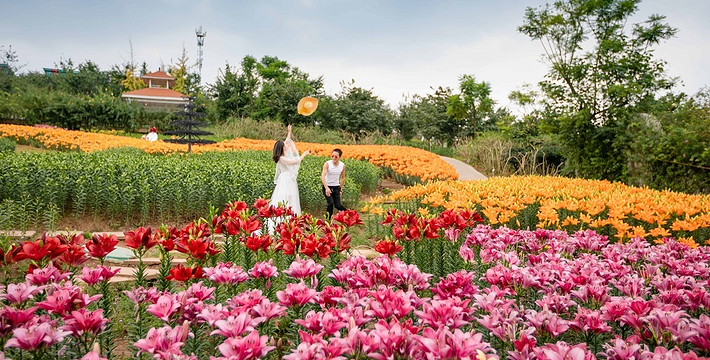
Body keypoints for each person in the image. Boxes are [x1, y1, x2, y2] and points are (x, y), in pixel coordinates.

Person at [270, 125, 309, 215]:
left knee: (291, 196)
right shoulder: (281, 158)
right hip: (286, 179)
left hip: (288, 178)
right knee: (285, 196)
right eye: (284, 146)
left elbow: (287, 141)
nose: (286, 147)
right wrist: (304, 154)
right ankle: (284, 215)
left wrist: (289, 132)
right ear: (281, 148)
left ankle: (290, 215)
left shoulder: (283, 156)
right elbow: (295, 161)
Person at [321, 148, 346, 219]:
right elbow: (323, 176)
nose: (334, 158)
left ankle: (349, 214)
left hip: (336, 187)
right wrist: (326, 188)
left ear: (340, 157)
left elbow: (343, 177)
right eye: (332, 156)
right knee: (330, 204)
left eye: (336, 157)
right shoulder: (327, 164)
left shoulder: (342, 165)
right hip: (327, 186)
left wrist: (340, 189)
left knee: (338, 205)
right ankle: (328, 220)